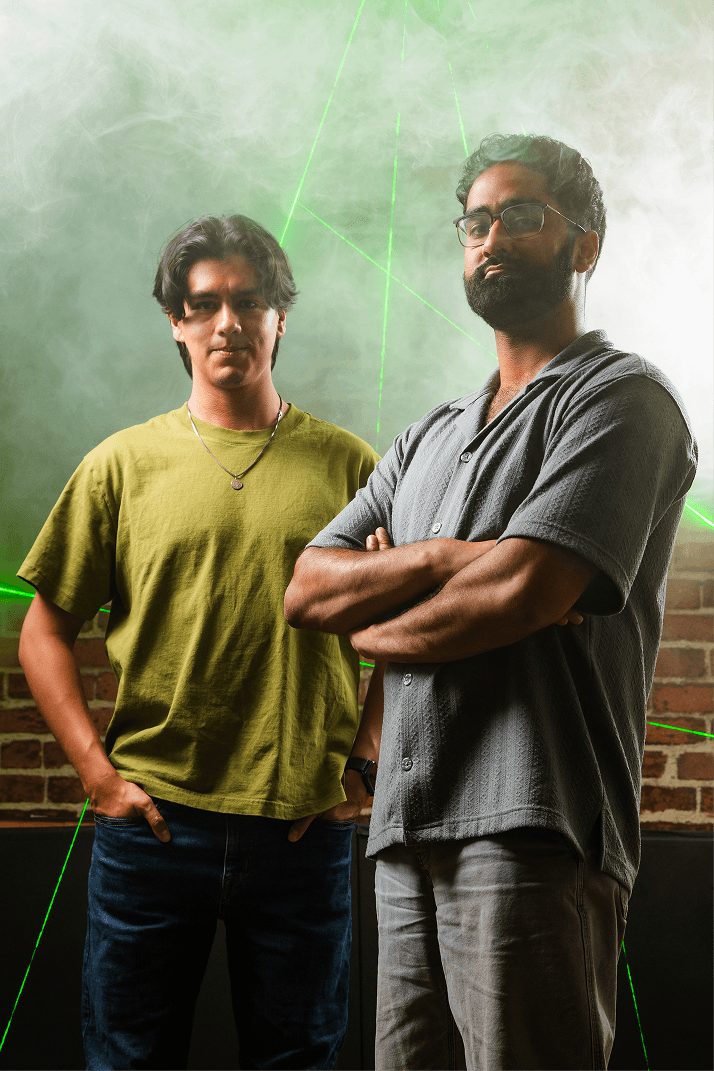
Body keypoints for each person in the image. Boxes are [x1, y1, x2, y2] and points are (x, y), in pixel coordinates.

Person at [284, 134, 697, 1071]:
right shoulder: (428, 435)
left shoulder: (619, 398)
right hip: (403, 829)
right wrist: (452, 559)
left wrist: (385, 610)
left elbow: (526, 588)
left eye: (521, 215)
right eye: (476, 220)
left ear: (584, 246)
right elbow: (307, 588)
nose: (491, 237)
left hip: (534, 825)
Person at [17, 214, 382, 1071]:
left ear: (279, 317)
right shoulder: (120, 465)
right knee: (127, 1062)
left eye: (248, 301)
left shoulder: (351, 468)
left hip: (301, 826)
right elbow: (45, 630)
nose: (229, 322)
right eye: (205, 303)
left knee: (298, 1060)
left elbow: (402, 636)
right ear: (177, 322)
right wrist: (97, 776)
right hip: (153, 830)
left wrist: (363, 762)